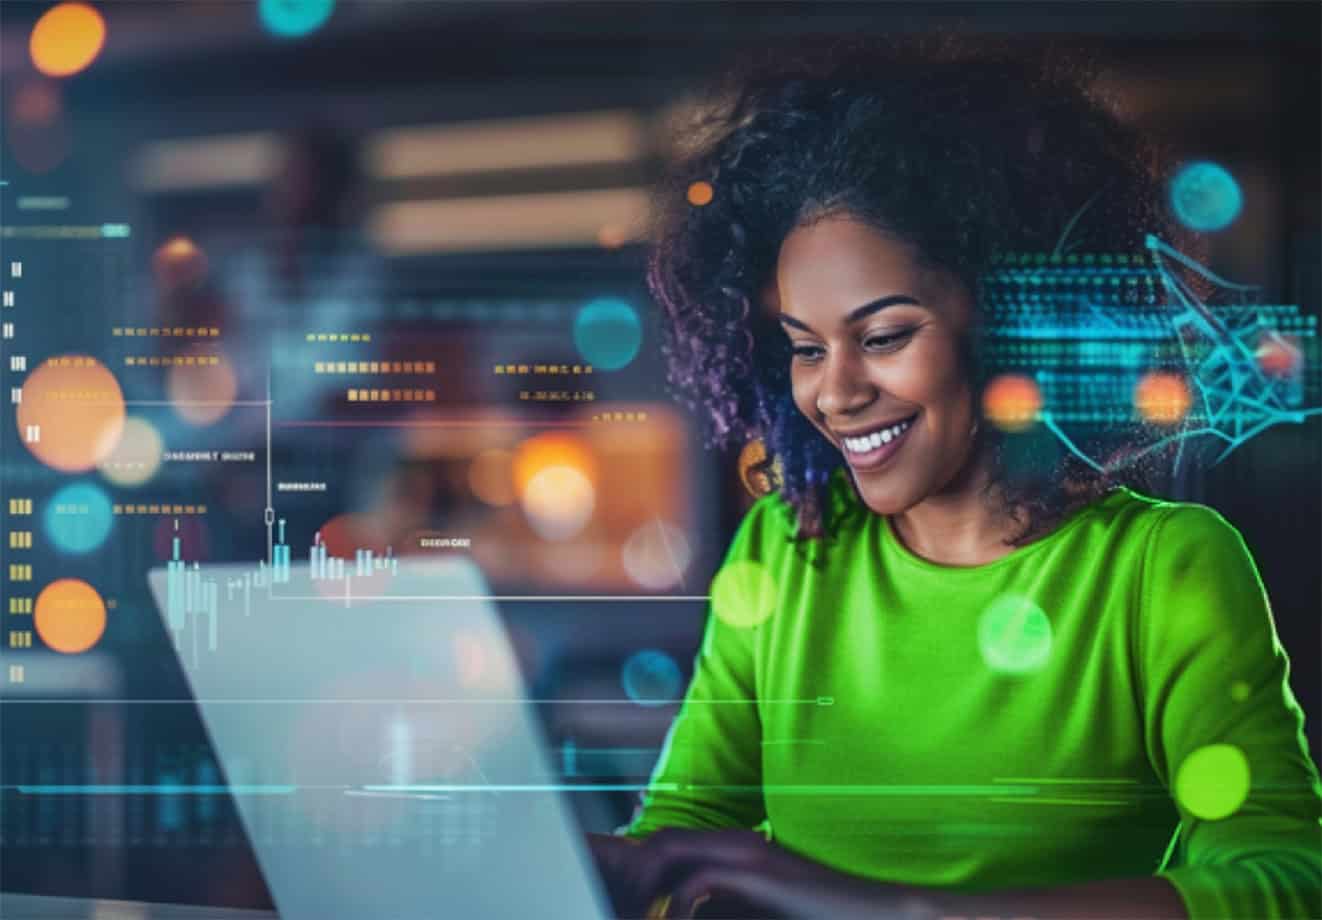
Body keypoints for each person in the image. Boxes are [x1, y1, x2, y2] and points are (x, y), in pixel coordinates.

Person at [587, 42, 1322, 920]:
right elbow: (688, 824)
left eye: (886, 335)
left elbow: (1281, 881)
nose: (837, 391)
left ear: (1006, 323)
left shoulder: (1164, 571)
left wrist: (909, 912)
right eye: (806, 348)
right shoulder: (789, 548)